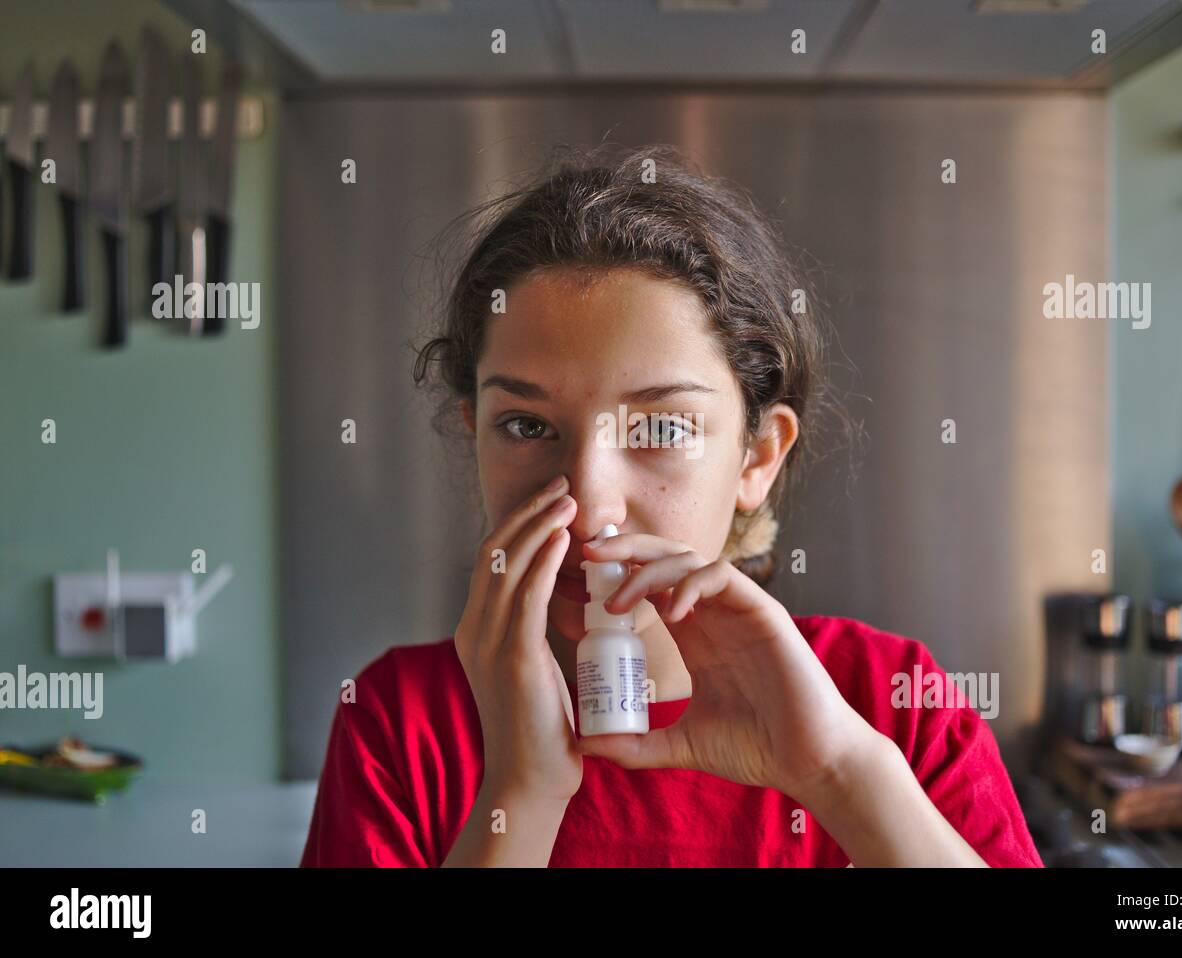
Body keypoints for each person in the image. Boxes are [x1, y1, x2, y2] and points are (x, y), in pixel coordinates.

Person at [300, 143, 1043, 868]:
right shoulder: (397, 724)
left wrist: (838, 775)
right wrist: (521, 795)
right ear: (476, 436)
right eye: (527, 426)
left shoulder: (896, 711)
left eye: (659, 428)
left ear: (758, 457)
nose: (590, 508)